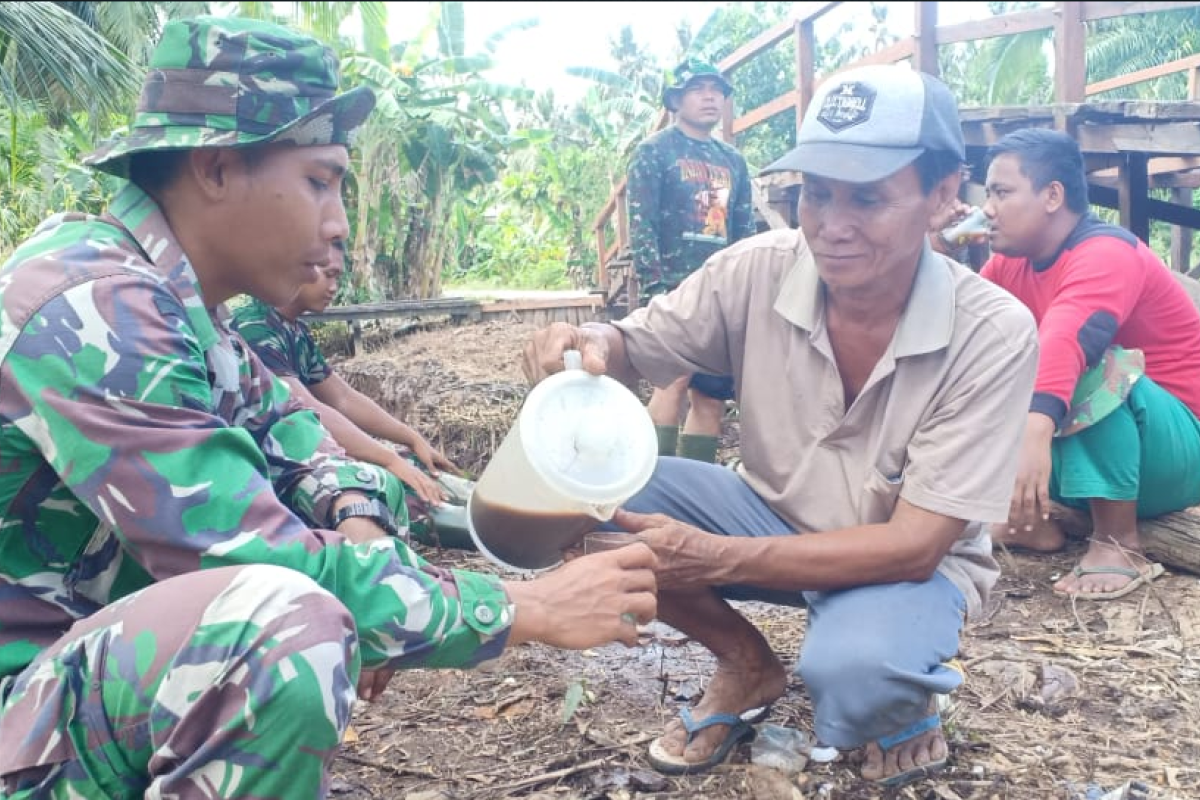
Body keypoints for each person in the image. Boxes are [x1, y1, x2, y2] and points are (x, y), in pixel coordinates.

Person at [0, 17, 657, 798]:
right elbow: (252, 561)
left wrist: (361, 526)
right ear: (214, 169)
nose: (339, 222)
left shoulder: (184, 312)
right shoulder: (95, 308)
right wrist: (525, 606)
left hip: (64, 690)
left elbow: (302, 438)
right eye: (320, 181)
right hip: (19, 707)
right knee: (281, 629)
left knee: (322, 601)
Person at [525, 64, 1039, 786]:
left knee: (857, 681)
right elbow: (634, 344)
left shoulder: (992, 332)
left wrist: (713, 557)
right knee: (575, 498)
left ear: (944, 196)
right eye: (815, 195)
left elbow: (917, 545)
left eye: (866, 198)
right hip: (769, 513)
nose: (831, 226)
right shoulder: (756, 270)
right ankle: (747, 664)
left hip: (901, 561)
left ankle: (892, 694)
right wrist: (591, 343)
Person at [972, 128, 1200, 598]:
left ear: (1053, 195)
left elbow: (1068, 338)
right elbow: (963, 334)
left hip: (1173, 453)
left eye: (1002, 192)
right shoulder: (1008, 264)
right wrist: (936, 251)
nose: (987, 209)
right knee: (984, 361)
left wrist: (1033, 435)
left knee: (1094, 360)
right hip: (1075, 462)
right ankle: (1027, 519)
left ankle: (1119, 543)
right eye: (986, 194)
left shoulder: (1108, 252)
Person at [230, 255, 474, 548]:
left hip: (300, 450)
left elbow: (343, 398)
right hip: (272, 465)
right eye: (329, 275)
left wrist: (411, 439)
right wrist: (389, 460)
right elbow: (307, 409)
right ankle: (486, 530)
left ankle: (481, 504)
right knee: (390, 482)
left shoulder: (293, 329)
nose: (334, 287)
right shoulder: (255, 327)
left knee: (412, 465)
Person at [626, 58, 756, 464]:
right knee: (673, 384)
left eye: (716, 90)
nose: (710, 97)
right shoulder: (654, 152)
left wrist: (746, 289)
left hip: (722, 294)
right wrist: (654, 289)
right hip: (674, 290)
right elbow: (641, 225)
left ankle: (692, 487)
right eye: (699, 89)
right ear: (676, 99)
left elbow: (743, 232)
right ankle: (653, 480)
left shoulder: (733, 161)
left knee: (712, 396)